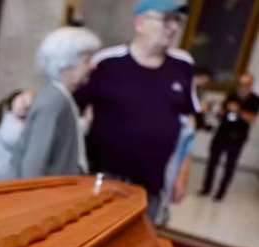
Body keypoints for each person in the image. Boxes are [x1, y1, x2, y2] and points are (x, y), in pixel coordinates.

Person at [75, 0, 199, 220]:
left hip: (151, 186)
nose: (174, 27)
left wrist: (183, 173)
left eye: (177, 20)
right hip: (102, 178)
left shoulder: (183, 65)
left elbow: (188, 124)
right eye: (166, 19)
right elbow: (72, 107)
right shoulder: (106, 63)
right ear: (140, 23)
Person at [13, 27, 101, 178]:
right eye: (86, 61)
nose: (93, 66)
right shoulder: (54, 100)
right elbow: (34, 163)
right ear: (65, 65)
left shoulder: (61, 97)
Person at [198, 73, 259, 201]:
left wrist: (238, 110)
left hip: (238, 138)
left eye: (245, 84)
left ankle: (220, 193)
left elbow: (251, 119)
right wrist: (219, 111)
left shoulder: (254, 99)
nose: (242, 86)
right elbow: (222, 114)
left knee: (229, 166)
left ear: (250, 85)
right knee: (212, 163)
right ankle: (206, 188)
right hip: (222, 133)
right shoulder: (231, 95)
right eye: (240, 83)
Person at [0, 89, 34, 180]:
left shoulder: (9, 118)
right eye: (22, 100)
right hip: (1, 173)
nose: (24, 104)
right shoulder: (10, 122)